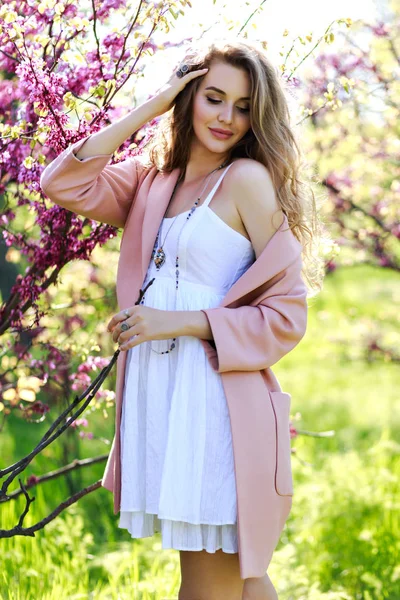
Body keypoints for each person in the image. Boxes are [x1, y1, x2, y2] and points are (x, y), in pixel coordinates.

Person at [41, 38, 323, 600]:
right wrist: (155, 104)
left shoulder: (246, 182)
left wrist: (178, 322)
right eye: (213, 97)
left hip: (214, 401)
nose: (227, 117)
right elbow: (61, 184)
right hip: (163, 395)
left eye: (243, 107)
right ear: (189, 95)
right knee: (237, 580)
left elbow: (287, 314)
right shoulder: (153, 179)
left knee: (211, 580)